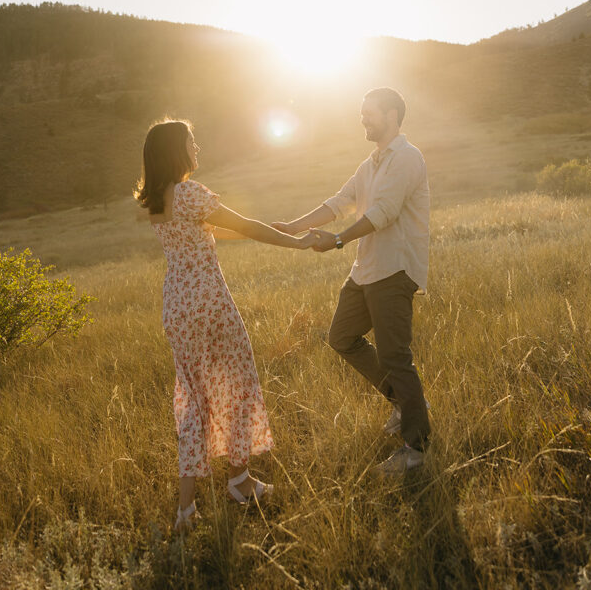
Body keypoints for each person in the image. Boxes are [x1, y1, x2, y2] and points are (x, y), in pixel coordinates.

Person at [135, 118, 317, 530]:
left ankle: (187, 509)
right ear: (175, 151)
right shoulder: (190, 193)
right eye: (190, 141)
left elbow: (214, 232)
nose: (197, 147)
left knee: (194, 398)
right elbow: (245, 225)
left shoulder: (160, 200)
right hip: (209, 304)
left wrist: (276, 228)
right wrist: (298, 242)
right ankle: (238, 479)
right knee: (237, 382)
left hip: (178, 307)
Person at [273, 87, 431, 474]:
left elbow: (386, 212)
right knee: (342, 336)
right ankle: (405, 402)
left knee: (396, 356)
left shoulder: (408, 158)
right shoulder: (371, 163)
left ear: (392, 114)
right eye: (362, 113)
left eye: (369, 113)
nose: (363, 119)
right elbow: (341, 201)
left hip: (394, 269)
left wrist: (339, 239)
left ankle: (416, 450)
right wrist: (294, 226)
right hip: (366, 271)